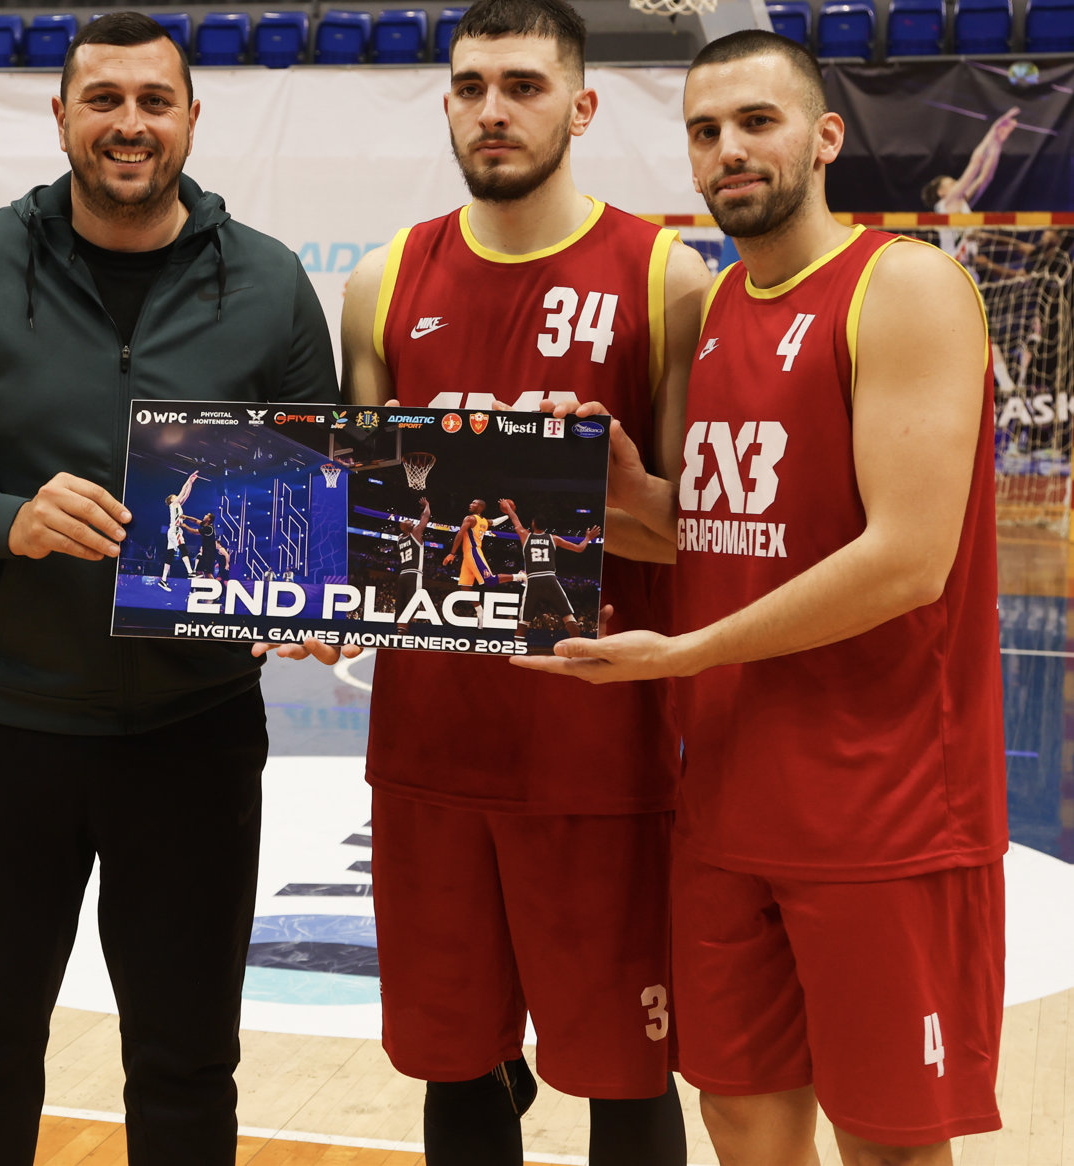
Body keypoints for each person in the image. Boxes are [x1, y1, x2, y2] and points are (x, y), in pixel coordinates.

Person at [0, 13, 337, 1165]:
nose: (129, 123)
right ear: (60, 114)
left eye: (153, 101)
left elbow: (319, 491)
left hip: (195, 736)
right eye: (103, 99)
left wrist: (314, 596)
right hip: (1, 729)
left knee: (186, 1063)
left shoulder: (267, 280)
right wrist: (5, 520)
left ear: (191, 120)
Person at [524, 30, 1004, 1166]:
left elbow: (907, 560)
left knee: (888, 1140)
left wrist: (684, 653)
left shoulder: (903, 288)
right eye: (705, 131)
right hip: (729, 802)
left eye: (756, 122)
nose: (728, 150)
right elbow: (718, 529)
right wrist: (618, 496)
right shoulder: (717, 306)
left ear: (824, 137)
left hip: (882, 810)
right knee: (739, 1113)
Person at [266, 0, 707, 1160]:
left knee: (624, 1072)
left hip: (599, 749)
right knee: (452, 1060)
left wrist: (586, 501)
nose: (492, 110)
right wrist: (322, 598)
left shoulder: (664, 277)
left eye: (522, 85)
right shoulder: (382, 279)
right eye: (470, 87)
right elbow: (368, 524)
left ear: (582, 105)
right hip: (430, 746)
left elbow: (698, 538)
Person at [920, 106, 1018, 265]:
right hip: (953, 265)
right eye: (952, 183)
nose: (958, 184)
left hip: (966, 265)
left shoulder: (959, 204)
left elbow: (985, 177)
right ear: (941, 192)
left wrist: (997, 143)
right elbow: (975, 163)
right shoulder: (946, 203)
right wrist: (992, 131)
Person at [500, 498, 600, 642]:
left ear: (533, 524)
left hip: (533, 580)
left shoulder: (525, 536)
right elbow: (579, 549)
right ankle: (578, 647)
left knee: (523, 622)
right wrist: (587, 538)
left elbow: (514, 519)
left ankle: (515, 648)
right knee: (569, 617)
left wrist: (508, 508)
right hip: (550, 579)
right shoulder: (554, 539)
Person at [441, 497, 513, 588]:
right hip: (467, 555)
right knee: (464, 586)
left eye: (474, 503)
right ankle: (476, 601)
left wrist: (452, 553)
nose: (470, 504)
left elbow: (460, 534)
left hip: (473, 552)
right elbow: (495, 522)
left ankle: (519, 576)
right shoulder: (485, 521)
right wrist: (509, 515)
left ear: (480, 507)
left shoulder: (470, 519)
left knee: (490, 580)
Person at [394, 496, 434, 626]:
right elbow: (426, 516)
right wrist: (427, 505)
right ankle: (405, 626)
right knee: (413, 603)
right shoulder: (415, 533)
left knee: (400, 604)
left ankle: (398, 627)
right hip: (414, 574)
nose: (412, 522)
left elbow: (404, 530)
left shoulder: (399, 539)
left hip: (402, 574)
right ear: (408, 526)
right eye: (410, 522)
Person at [158, 469, 200, 589]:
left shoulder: (178, 505)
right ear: (171, 499)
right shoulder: (173, 504)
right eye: (174, 496)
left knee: (170, 555)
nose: (176, 496)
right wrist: (188, 479)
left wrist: (191, 483)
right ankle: (190, 572)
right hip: (175, 530)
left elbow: (186, 494)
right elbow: (182, 490)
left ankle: (163, 580)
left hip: (174, 530)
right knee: (183, 549)